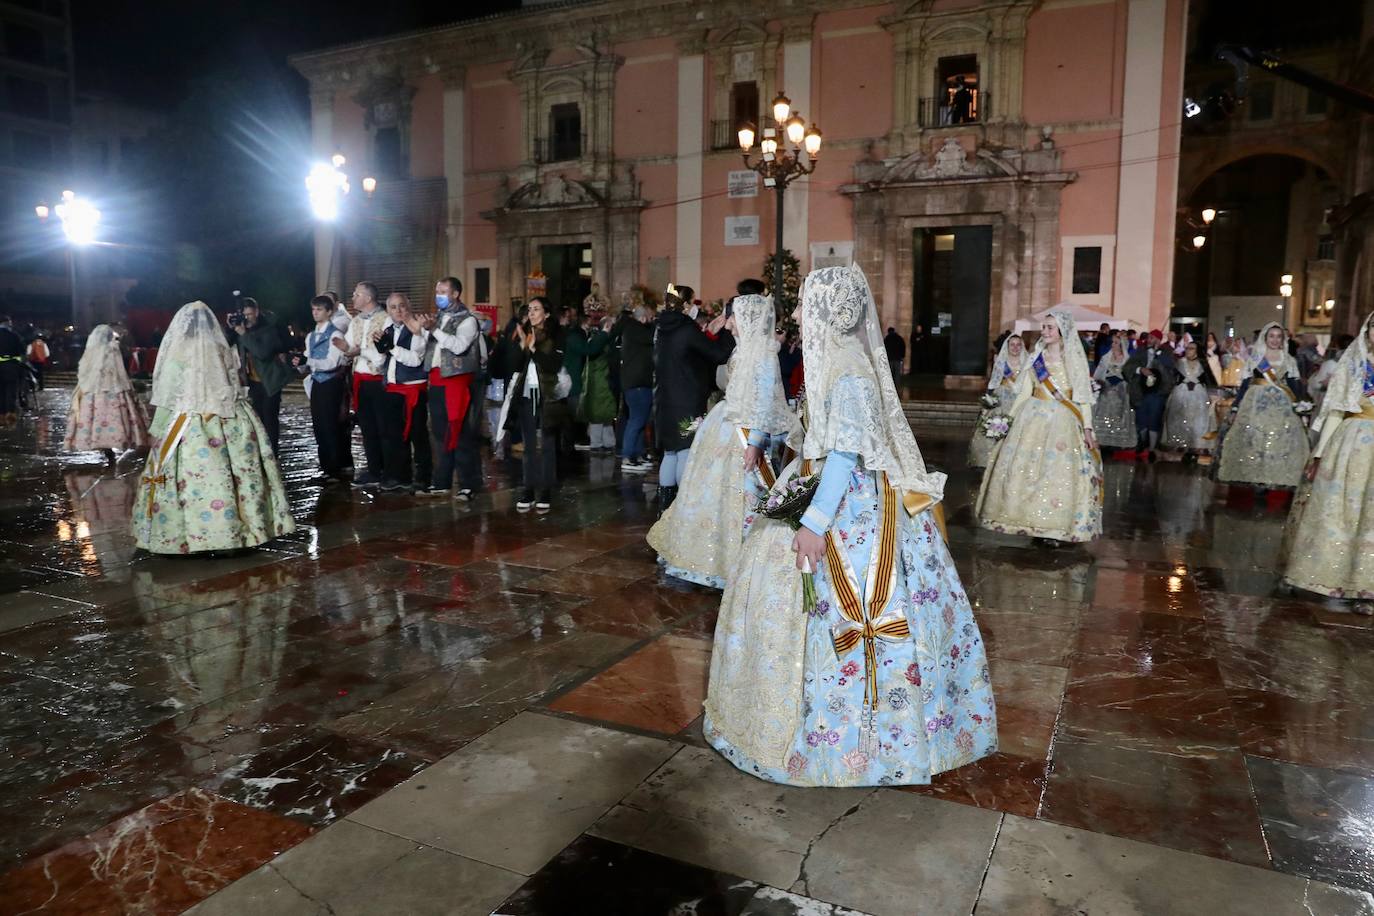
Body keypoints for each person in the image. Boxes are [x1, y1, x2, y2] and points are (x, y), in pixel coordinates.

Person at [704, 264, 996, 787]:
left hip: (850, 507)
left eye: (801, 303)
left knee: (853, 606)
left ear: (824, 309)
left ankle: (864, 741)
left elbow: (844, 454)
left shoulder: (849, 371)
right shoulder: (835, 362)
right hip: (822, 484)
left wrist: (814, 523)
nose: (793, 313)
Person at [647, 293, 792, 588]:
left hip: (742, 433)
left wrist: (755, 441)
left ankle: (740, 558)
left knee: (742, 494)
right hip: (723, 425)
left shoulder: (764, 353)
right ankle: (706, 554)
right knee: (709, 492)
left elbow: (763, 401)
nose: (728, 325)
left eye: (733, 318)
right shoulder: (742, 350)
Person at [132, 301, 295, 554]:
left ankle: (189, 536)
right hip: (228, 417)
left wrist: (157, 428)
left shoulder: (179, 352)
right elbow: (234, 380)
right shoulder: (220, 346)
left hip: (189, 423)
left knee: (191, 481)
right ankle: (237, 531)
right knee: (233, 475)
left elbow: (169, 394)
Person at [977, 308, 1102, 545]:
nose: (1044, 331)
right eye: (1043, 327)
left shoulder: (1073, 359)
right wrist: (1008, 420)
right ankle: (1032, 523)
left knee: (1055, 475)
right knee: (1026, 472)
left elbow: (1082, 396)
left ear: (1062, 331)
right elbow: (1025, 391)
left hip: (1062, 422)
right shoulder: (1035, 357)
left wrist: (1087, 428)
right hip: (1031, 417)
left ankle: (1054, 528)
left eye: (1049, 327)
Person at [1283, 312, 1374, 609]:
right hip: (1349, 444)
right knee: (1340, 512)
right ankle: (1332, 577)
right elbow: (1335, 410)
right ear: (1367, 331)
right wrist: (1320, 452)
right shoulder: (1353, 363)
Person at [652, 283, 735, 509]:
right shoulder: (686, 328)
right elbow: (717, 354)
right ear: (686, 305)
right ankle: (681, 509)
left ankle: (664, 507)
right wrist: (727, 331)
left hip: (664, 403)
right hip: (688, 405)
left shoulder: (661, 328)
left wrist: (708, 333)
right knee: (686, 451)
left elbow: (685, 353)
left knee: (670, 453)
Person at [1217, 321, 1310, 499]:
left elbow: (1294, 385)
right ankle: (1255, 478)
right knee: (1254, 439)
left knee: (1277, 440)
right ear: (1265, 338)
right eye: (1271, 336)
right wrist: (1236, 407)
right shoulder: (1255, 359)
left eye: (1278, 337)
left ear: (1283, 339)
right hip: (1255, 404)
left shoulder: (1289, 360)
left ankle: (1272, 476)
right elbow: (1245, 384)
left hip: (1281, 405)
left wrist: (1301, 406)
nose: (1275, 340)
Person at [419, 277, 485, 499]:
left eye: (443, 291)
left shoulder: (468, 320)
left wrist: (435, 330)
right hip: (436, 381)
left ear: (456, 294)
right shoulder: (437, 317)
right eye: (437, 290)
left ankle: (468, 483)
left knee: (461, 432)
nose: (439, 295)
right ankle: (442, 481)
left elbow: (458, 346)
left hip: (457, 382)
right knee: (439, 433)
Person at [499, 297, 567, 511]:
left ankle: (545, 490)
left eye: (536, 309)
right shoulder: (524, 333)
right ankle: (528, 489)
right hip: (526, 394)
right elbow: (514, 366)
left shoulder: (556, 335)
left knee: (547, 445)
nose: (532, 313)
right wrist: (521, 347)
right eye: (529, 309)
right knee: (528, 446)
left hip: (547, 395)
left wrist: (535, 349)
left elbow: (553, 365)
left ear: (546, 314)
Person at [64, 324, 149, 463]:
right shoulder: (113, 348)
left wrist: (84, 385)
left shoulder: (92, 349)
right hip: (113, 387)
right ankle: (116, 440)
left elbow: (84, 369)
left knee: (93, 416)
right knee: (115, 416)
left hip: (93, 388)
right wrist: (126, 385)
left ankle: (101, 444)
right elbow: (119, 370)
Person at [224, 297, 292, 455]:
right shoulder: (243, 328)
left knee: (269, 419)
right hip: (253, 382)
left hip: (270, 380)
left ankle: (272, 454)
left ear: (257, 311)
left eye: (250, 314)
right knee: (258, 419)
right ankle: (261, 453)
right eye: (244, 315)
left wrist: (244, 334)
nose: (248, 318)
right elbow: (227, 344)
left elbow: (262, 353)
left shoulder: (269, 328)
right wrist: (230, 329)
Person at [292, 296, 349, 482]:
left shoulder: (335, 335)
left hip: (330, 384)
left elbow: (331, 363)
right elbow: (308, 360)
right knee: (318, 426)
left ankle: (335, 467)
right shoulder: (311, 336)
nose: (315, 313)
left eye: (319, 310)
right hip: (317, 383)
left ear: (329, 312)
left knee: (330, 425)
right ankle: (326, 466)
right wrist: (299, 363)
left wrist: (307, 361)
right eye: (313, 309)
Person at [379, 293, 431, 493]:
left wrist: (391, 348)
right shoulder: (389, 329)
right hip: (392, 388)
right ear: (388, 311)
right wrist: (380, 347)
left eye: (402, 306)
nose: (398, 310)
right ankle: (400, 475)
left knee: (418, 435)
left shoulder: (418, 327)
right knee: (395, 435)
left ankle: (423, 476)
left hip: (413, 388)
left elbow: (415, 359)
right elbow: (386, 358)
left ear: (408, 306)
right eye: (393, 307)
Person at [344, 282, 389, 488]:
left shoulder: (385, 319)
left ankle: (388, 468)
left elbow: (382, 354)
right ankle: (374, 469)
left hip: (379, 379)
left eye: (357, 294)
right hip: (360, 378)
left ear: (368, 298)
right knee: (367, 427)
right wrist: (345, 350)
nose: (353, 298)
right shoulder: (355, 321)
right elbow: (348, 346)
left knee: (383, 425)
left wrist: (357, 350)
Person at [969, 332, 1026, 469]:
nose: (1015, 347)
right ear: (1007, 346)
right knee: (996, 429)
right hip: (1002, 397)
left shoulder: (1027, 363)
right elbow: (993, 383)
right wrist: (988, 402)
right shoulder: (1001, 362)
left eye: (1018, 345)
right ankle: (993, 459)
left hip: (1020, 400)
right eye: (1012, 345)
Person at [614, 302, 655, 472]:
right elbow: (651, 337)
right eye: (650, 318)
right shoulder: (636, 329)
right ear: (643, 318)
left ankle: (637, 455)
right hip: (637, 382)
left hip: (637, 381)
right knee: (636, 420)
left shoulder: (631, 329)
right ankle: (628, 457)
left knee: (640, 420)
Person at [1161, 340, 1218, 460]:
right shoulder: (1179, 363)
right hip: (1181, 393)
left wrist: (1213, 394)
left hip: (1198, 395)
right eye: (1187, 348)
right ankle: (1179, 444)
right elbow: (1171, 378)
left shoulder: (1203, 364)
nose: (1188, 350)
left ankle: (1196, 445)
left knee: (1198, 420)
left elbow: (1209, 380)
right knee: (1179, 418)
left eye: (1191, 348)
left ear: (1197, 351)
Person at [1124, 330, 1176, 460]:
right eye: (1148, 337)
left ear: (1158, 339)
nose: (1149, 340)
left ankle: (1152, 448)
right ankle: (1143, 442)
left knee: (1154, 417)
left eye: (1152, 338)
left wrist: (1159, 355)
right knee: (1141, 418)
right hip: (1141, 390)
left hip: (1157, 391)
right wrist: (1140, 369)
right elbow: (1127, 367)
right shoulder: (1140, 351)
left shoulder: (1166, 352)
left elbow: (1170, 368)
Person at [576, 305, 617, 452]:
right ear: (606, 326)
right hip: (599, 380)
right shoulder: (599, 339)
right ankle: (597, 442)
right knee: (598, 413)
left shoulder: (601, 338)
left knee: (605, 413)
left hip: (602, 379)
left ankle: (608, 441)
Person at [1091, 332, 1137, 453]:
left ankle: (1117, 441)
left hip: (1120, 388)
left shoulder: (1126, 358)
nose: (1113, 344)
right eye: (1112, 342)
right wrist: (1099, 384)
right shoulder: (1106, 357)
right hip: (1107, 388)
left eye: (1116, 342)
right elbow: (1099, 373)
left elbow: (1129, 373)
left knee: (1119, 412)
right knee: (1105, 411)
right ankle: (1103, 440)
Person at [0, 314, 25, 423]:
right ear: (7, 322)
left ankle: (1, 414)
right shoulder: (14, 335)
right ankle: (10, 413)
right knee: (11, 390)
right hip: (11, 366)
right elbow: (22, 351)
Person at [883, 325, 906, 390]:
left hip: (890, 359)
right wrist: (902, 356)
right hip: (897, 358)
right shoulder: (899, 338)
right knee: (897, 373)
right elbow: (903, 347)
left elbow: (884, 349)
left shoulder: (887, 339)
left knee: (890, 373)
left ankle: (890, 387)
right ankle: (897, 387)